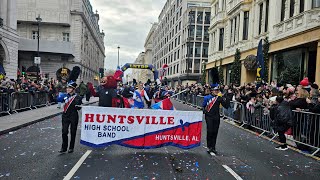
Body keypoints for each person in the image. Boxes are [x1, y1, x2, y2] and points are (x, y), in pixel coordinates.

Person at [202, 87, 231, 156]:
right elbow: (203, 106)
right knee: (210, 131)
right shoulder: (207, 97)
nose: (217, 91)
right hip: (209, 116)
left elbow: (226, 106)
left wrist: (226, 96)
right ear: (212, 91)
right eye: (215, 90)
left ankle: (213, 147)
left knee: (215, 132)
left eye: (217, 90)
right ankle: (209, 147)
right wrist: (205, 110)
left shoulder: (219, 98)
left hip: (216, 117)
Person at [59, 81, 82, 154]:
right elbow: (58, 100)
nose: (67, 89)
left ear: (73, 89)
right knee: (64, 132)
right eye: (67, 88)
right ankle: (64, 147)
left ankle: (71, 147)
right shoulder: (65, 96)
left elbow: (78, 107)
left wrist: (77, 105)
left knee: (73, 132)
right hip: (65, 115)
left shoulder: (78, 97)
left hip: (73, 115)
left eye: (69, 88)